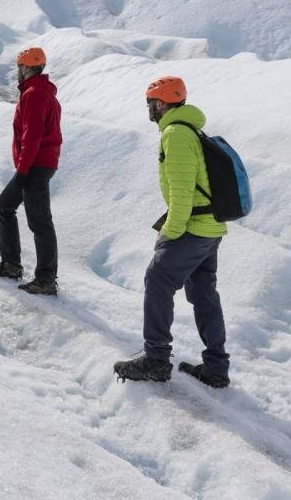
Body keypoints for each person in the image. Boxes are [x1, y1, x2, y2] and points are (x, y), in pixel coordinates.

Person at [114, 76, 230, 388]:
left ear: (162, 102)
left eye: (150, 103)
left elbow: (181, 195)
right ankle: (216, 368)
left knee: (158, 279)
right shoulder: (190, 129)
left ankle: (156, 360)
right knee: (204, 293)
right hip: (210, 228)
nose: (149, 109)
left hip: (193, 228)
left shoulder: (176, 134)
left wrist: (169, 233)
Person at [0, 47, 62, 296]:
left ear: (27, 67)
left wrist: (23, 168)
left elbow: (32, 134)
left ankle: (46, 279)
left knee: (40, 222)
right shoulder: (41, 92)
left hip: (35, 165)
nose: (18, 71)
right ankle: (11, 264)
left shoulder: (34, 93)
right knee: (5, 206)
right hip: (38, 164)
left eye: (19, 67)